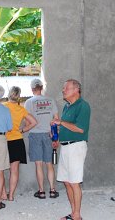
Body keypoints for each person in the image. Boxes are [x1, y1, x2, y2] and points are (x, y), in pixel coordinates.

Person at [51, 79, 91, 220]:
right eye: (63, 88)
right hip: (66, 147)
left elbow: (80, 129)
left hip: (76, 147)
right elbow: (67, 127)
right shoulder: (67, 106)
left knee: (74, 182)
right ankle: (73, 213)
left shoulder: (83, 106)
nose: (63, 90)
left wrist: (61, 122)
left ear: (76, 90)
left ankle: (77, 216)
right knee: (67, 181)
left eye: (66, 88)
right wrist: (56, 135)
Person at [24, 78, 59, 199]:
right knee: (49, 164)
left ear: (32, 89)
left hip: (35, 134)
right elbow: (56, 119)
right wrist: (55, 136)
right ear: (41, 87)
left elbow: (27, 120)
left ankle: (41, 191)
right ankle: (53, 190)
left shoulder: (29, 102)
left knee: (39, 165)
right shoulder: (51, 100)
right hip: (48, 134)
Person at [0, 86, 37, 201]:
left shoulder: (3, 107)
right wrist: (22, 130)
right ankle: (11, 195)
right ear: (19, 96)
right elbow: (34, 122)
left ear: (9, 94)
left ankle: (3, 195)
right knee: (14, 170)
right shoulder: (21, 109)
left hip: (3, 140)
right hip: (17, 141)